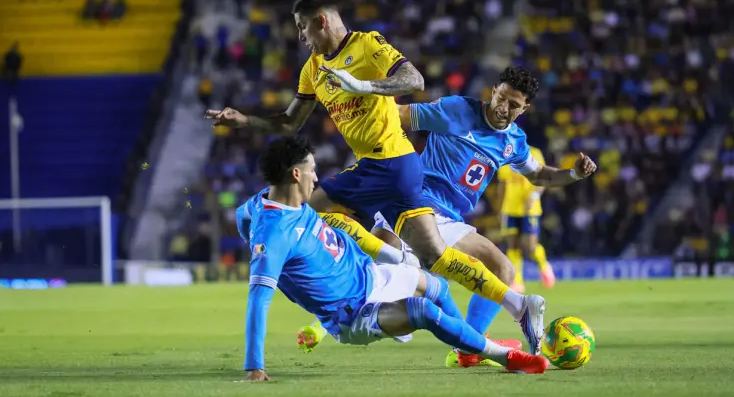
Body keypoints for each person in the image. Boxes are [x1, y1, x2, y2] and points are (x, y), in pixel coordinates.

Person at [206, 0, 547, 355]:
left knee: (303, 211)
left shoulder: (367, 45)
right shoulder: (313, 69)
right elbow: (290, 123)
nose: (301, 35)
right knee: (435, 256)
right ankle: (517, 304)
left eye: (303, 27)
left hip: (391, 162)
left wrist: (363, 85)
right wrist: (245, 120)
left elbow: (414, 80)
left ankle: (348, 298)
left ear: (321, 21)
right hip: (383, 167)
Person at [303, 67, 598, 364]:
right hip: (413, 204)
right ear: (493, 91)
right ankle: (324, 323)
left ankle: (469, 348)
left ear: (525, 108)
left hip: (450, 219)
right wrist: (357, 100)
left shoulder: (514, 142)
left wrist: (573, 174)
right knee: (376, 266)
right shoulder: (456, 110)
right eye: (502, 98)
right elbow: (399, 115)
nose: (504, 108)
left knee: (502, 270)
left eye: (514, 105)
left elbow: (540, 175)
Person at [238, 136, 549, 381]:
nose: (316, 178)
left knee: (437, 287)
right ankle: (505, 358)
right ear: (295, 174)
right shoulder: (274, 235)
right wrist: (255, 366)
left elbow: (244, 216)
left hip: (372, 276)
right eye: (311, 171)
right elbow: (258, 299)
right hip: (353, 313)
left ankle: (468, 349)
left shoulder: (266, 202)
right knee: (423, 310)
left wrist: (250, 236)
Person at [497, 145, 555, 292]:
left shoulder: (534, 153)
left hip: (530, 209)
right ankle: (517, 281)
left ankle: (544, 266)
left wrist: (534, 196)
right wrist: (499, 208)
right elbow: (502, 184)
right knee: (512, 245)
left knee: (530, 246)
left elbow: (543, 178)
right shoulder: (504, 155)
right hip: (509, 208)